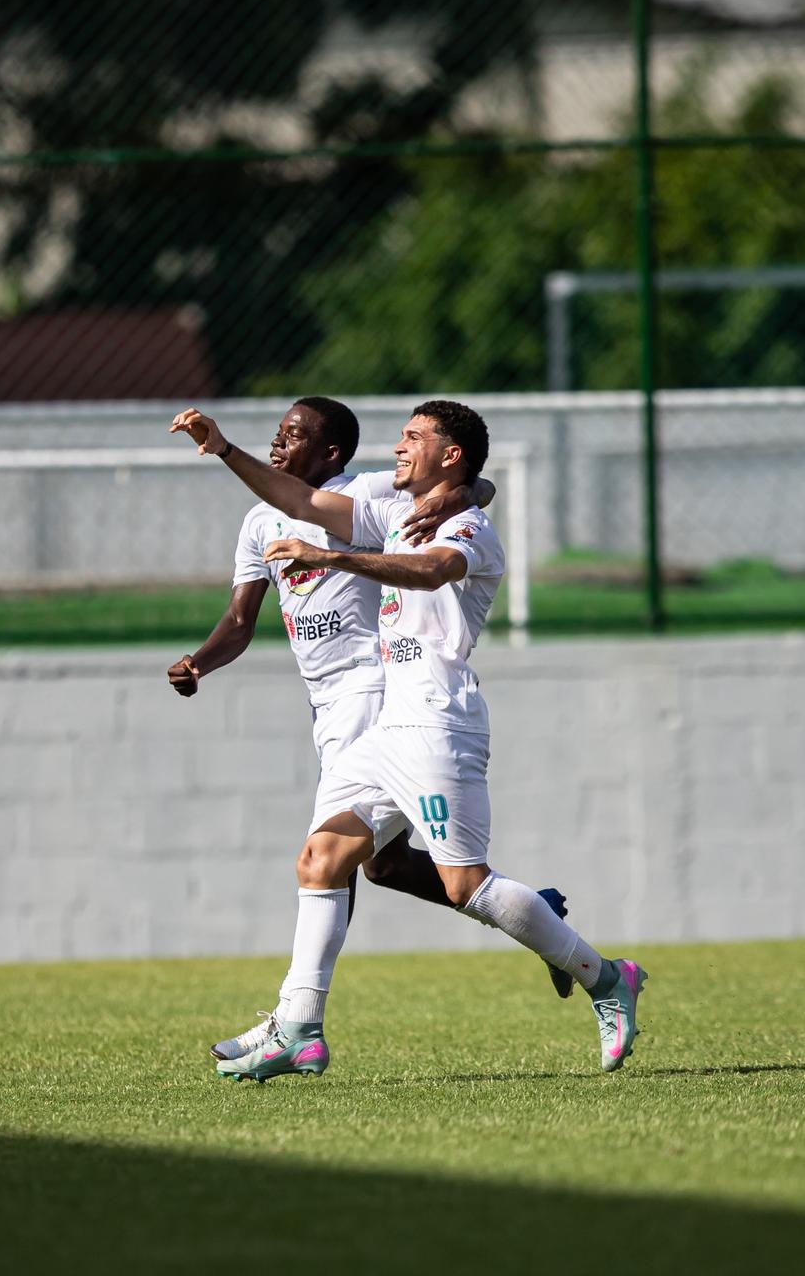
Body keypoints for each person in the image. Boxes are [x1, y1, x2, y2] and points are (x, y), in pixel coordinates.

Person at [170, 401, 647, 1082]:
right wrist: (223, 448)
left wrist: (333, 556)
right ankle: (299, 1027)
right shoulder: (392, 506)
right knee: (323, 857)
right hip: (386, 723)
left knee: (464, 886)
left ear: (449, 456)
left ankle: (607, 979)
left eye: (413, 438)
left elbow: (430, 571)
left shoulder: (471, 527)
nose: (397, 447)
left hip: (436, 719)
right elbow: (303, 498)